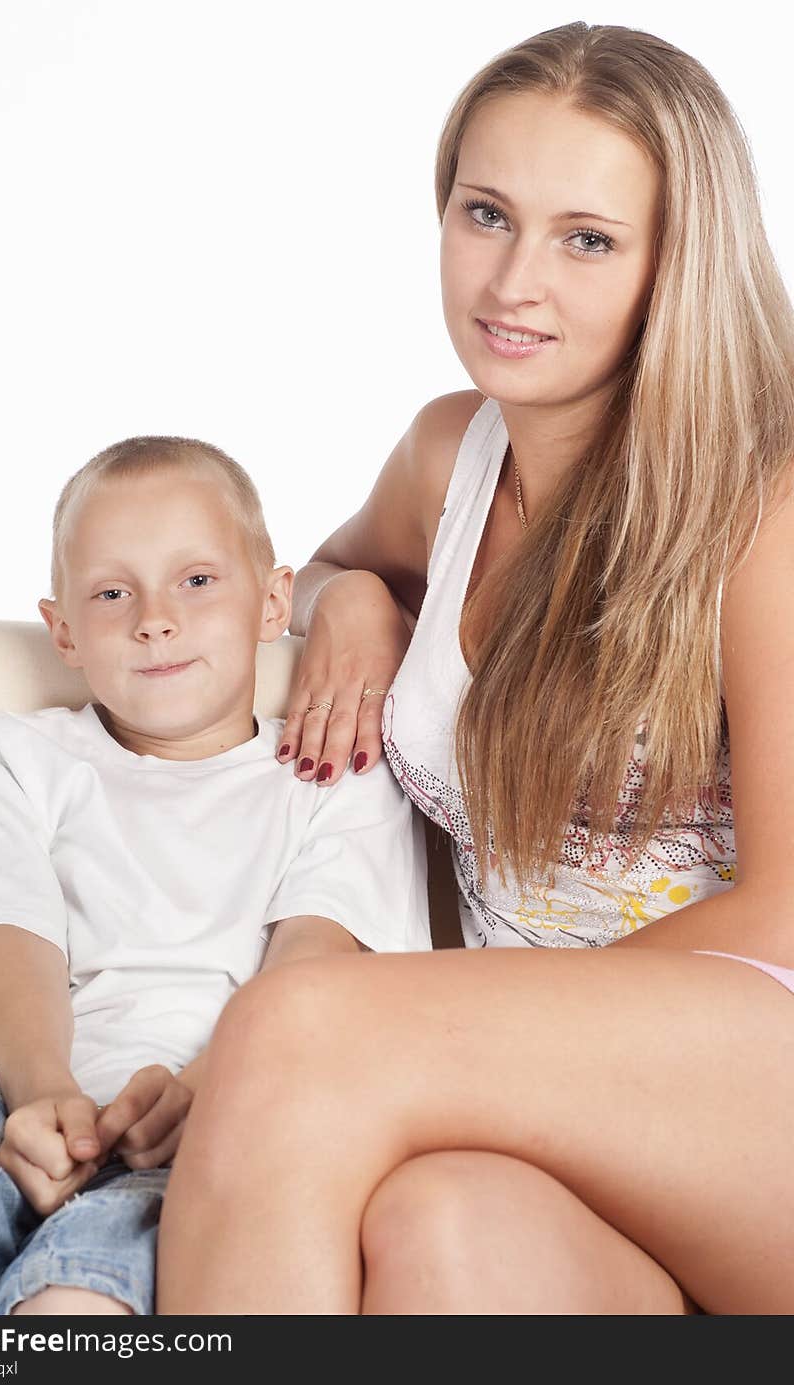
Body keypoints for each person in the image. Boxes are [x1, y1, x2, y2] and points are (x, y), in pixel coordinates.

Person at [156, 21, 794, 1316]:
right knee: (441, 1235)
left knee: (297, 1028)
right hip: (556, 1121)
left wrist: (456, 1034)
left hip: (751, 1093)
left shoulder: (762, 510)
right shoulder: (450, 459)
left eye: (587, 238)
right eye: (486, 213)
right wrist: (349, 609)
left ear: (681, 262)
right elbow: (336, 565)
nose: (514, 282)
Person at [0, 436, 429, 1317]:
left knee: (80, 1296)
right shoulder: (16, 754)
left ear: (274, 602)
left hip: (209, 1110)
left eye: (196, 581)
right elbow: (14, 940)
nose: (155, 618)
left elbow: (315, 960)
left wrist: (214, 1090)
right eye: (114, 592)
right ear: (64, 630)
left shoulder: (332, 771)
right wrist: (43, 1095)